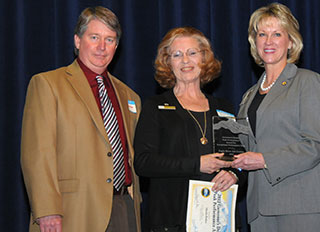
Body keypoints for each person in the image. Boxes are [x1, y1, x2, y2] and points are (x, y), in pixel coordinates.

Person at [21, 6, 141, 232]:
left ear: (117, 46)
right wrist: (47, 209)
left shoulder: (129, 96)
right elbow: (37, 153)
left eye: (110, 39)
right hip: (72, 211)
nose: (102, 47)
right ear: (77, 41)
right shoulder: (48, 84)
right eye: (94, 37)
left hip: (124, 208)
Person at [231, 3, 320, 232]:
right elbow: (244, 147)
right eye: (262, 34)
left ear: (290, 41)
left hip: (300, 202)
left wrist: (264, 160)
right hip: (259, 206)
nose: (268, 41)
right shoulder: (249, 95)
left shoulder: (307, 81)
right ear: (254, 41)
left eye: (277, 34)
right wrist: (230, 167)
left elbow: (316, 145)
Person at [133, 27, 246, 232]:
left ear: (204, 59)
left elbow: (239, 160)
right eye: (177, 55)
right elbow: (143, 163)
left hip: (219, 219)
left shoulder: (225, 108)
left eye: (192, 53)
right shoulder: (154, 106)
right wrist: (197, 164)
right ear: (168, 63)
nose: (185, 60)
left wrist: (235, 175)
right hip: (171, 220)